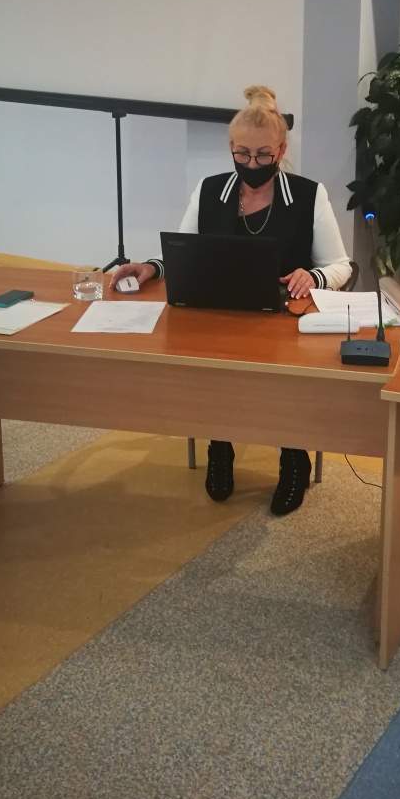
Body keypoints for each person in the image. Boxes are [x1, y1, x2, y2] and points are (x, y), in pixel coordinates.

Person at [111, 85, 352, 516]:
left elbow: (340, 265)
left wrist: (312, 276)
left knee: (283, 376)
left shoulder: (309, 195)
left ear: (281, 151)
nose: (252, 164)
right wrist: (151, 268)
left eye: (263, 155)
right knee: (206, 360)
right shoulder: (210, 190)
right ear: (231, 148)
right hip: (220, 312)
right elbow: (184, 249)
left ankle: (293, 456)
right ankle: (219, 445)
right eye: (242, 154)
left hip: (282, 320)